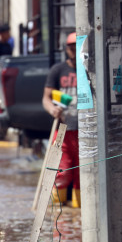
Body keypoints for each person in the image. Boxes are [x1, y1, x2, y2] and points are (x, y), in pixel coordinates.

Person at [42, 32, 80, 208]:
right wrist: (52, 109)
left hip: (84, 130)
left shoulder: (89, 70)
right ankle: (58, 212)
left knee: (83, 171)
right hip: (63, 129)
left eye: (76, 47)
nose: (73, 50)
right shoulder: (58, 70)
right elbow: (46, 98)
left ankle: (78, 211)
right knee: (61, 169)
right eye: (70, 47)